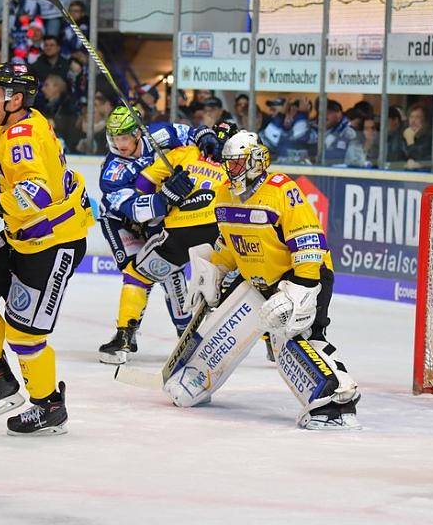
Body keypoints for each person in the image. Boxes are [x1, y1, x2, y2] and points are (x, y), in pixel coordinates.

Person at [179, 130, 361, 429]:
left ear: (255, 161)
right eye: (228, 163)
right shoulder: (224, 194)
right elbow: (230, 243)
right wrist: (214, 273)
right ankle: (194, 379)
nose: (230, 169)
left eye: (237, 163)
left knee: (300, 337)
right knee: (242, 330)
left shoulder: (281, 190)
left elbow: (308, 241)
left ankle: (337, 403)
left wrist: (301, 290)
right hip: (260, 281)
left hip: (302, 275)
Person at [0, 63, 94, 436]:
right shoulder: (20, 123)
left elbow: (38, 192)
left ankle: (49, 405)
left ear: (15, 99)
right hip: (23, 233)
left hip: (52, 242)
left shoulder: (21, 136)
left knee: (24, 336)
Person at [95, 106, 223, 364]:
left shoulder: (159, 133)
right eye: (115, 138)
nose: (119, 145)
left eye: (124, 137)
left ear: (138, 134)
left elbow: (192, 134)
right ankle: (126, 336)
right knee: (135, 270)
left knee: (170, 271)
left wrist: (205, 136)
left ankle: (185, 332)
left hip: (156, 219)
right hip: (123, 222)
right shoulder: (112, 172)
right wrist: (165, 198)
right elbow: (133, 209)